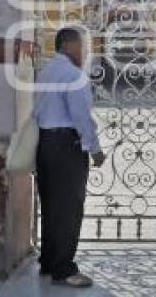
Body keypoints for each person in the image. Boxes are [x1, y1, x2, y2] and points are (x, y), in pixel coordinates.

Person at [34, 27, 105, 288]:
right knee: (68, 209)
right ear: (68, 46)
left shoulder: (46, 72)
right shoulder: (73, 76)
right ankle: (64, 269)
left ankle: (49, 261)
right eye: (82, 46)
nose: (85, 51)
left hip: (45, 144)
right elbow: (81, 118)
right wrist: (94, 149)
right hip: (66, 146)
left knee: (51, 205)